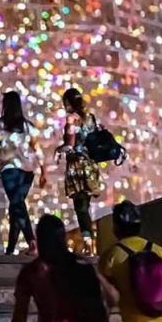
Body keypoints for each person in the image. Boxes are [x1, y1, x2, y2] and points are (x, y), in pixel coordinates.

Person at [0, 90, 47, 255]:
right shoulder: (28, 126)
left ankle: (32, 242)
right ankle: (10, 249)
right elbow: (37, 149)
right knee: (16, 205)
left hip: (9, 169)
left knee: (17, 205)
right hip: (28, 171)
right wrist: (43, 171)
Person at [57, 88, 101, 254]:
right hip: (91, 166)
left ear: (68, 102)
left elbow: (70, 144)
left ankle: (89, 244)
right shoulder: (90, 118)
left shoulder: (72, 119)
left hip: (77, 167)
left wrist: (58, 150)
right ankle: (89, 242)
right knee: (85, 207)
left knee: (80, 207)